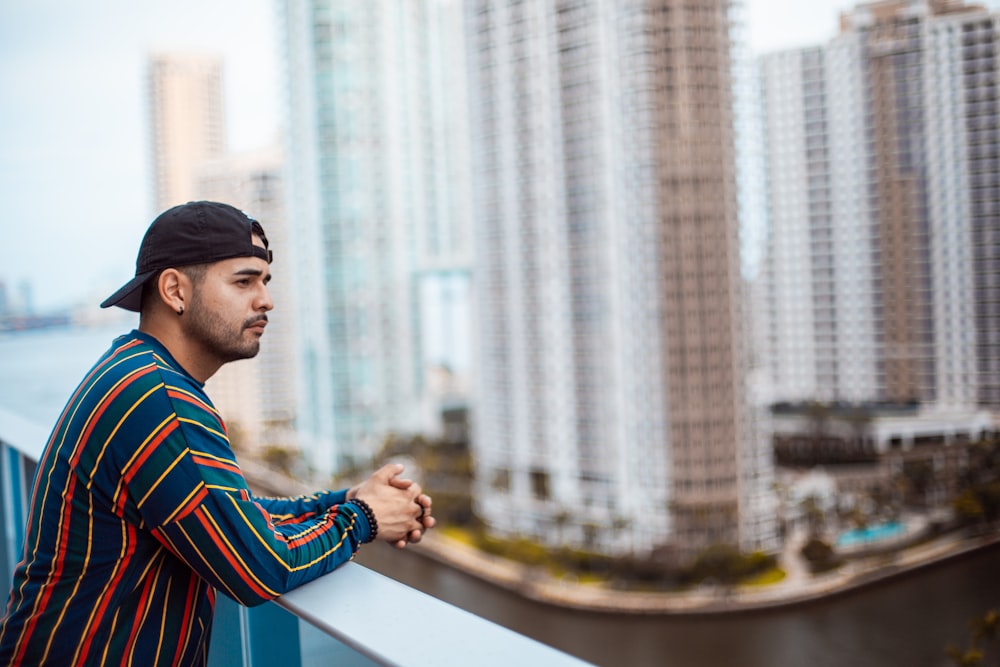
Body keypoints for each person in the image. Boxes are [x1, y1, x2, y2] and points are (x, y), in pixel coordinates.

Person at [0, 201, 435, 666]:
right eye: (244, 281)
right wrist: (363, 518)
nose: (266, 299)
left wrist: (345, 499)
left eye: (265, 283)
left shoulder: (137, 373)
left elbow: (227, 516)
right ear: (175, 290)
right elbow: (257, 568)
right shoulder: (159, 399)